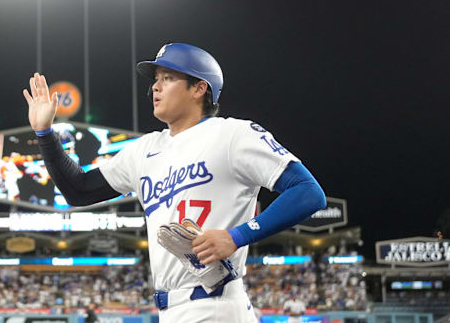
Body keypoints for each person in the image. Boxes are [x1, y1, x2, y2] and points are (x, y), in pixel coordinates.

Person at [22, 43, 327, 323]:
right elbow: (78, 190)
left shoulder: (234, 134)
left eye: (167, 77)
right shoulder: (144, 150)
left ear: (199, 88)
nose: (155, 86)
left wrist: (237, 236)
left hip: (214, 303)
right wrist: (45, 134)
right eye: (155, 79)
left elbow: (308, 192)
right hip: (171, 309)